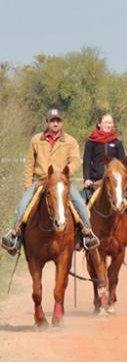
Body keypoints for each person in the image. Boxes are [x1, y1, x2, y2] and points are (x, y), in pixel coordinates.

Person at [1, 108, 99, 255]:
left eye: (58, 120)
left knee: (79, 202)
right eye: (52, 120)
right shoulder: (36, 140)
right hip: (40, 181)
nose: (55, 123)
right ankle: (14, 236)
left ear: (62, 123)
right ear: (47, 122)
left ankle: (87, 233)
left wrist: (64, 174)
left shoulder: (71, 141)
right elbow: (29, 164)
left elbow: (75, 161)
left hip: (61, 181)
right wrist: (27, 187)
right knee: (23, 205)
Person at [81, 113, 127, 250]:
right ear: (99, 124)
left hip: (116, 183)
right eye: (107, 122)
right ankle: (81, 236)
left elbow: (123, 165)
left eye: (111, 123)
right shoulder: (91, 142)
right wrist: (86, 179)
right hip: (96, 182)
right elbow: (86, 162)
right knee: (80, 202)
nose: (110, 125)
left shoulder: (117, 143)